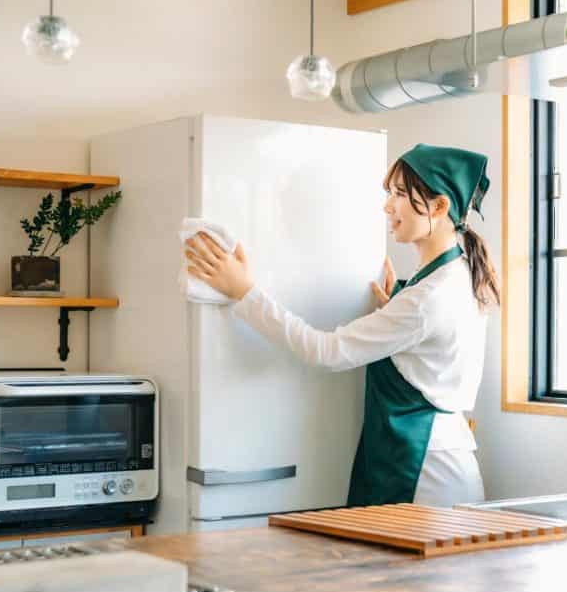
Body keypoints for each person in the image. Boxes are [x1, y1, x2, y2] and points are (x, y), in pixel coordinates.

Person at [185, 143, 499, 507]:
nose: (387, 206)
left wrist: (244, 291)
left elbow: (326, 351)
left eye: (399, 194)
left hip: (425, 475)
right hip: (437, 460)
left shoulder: (428, 297)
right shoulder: (455, 273)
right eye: (389, 193)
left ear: (440, 206)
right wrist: (394, 308)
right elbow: (426, 342)